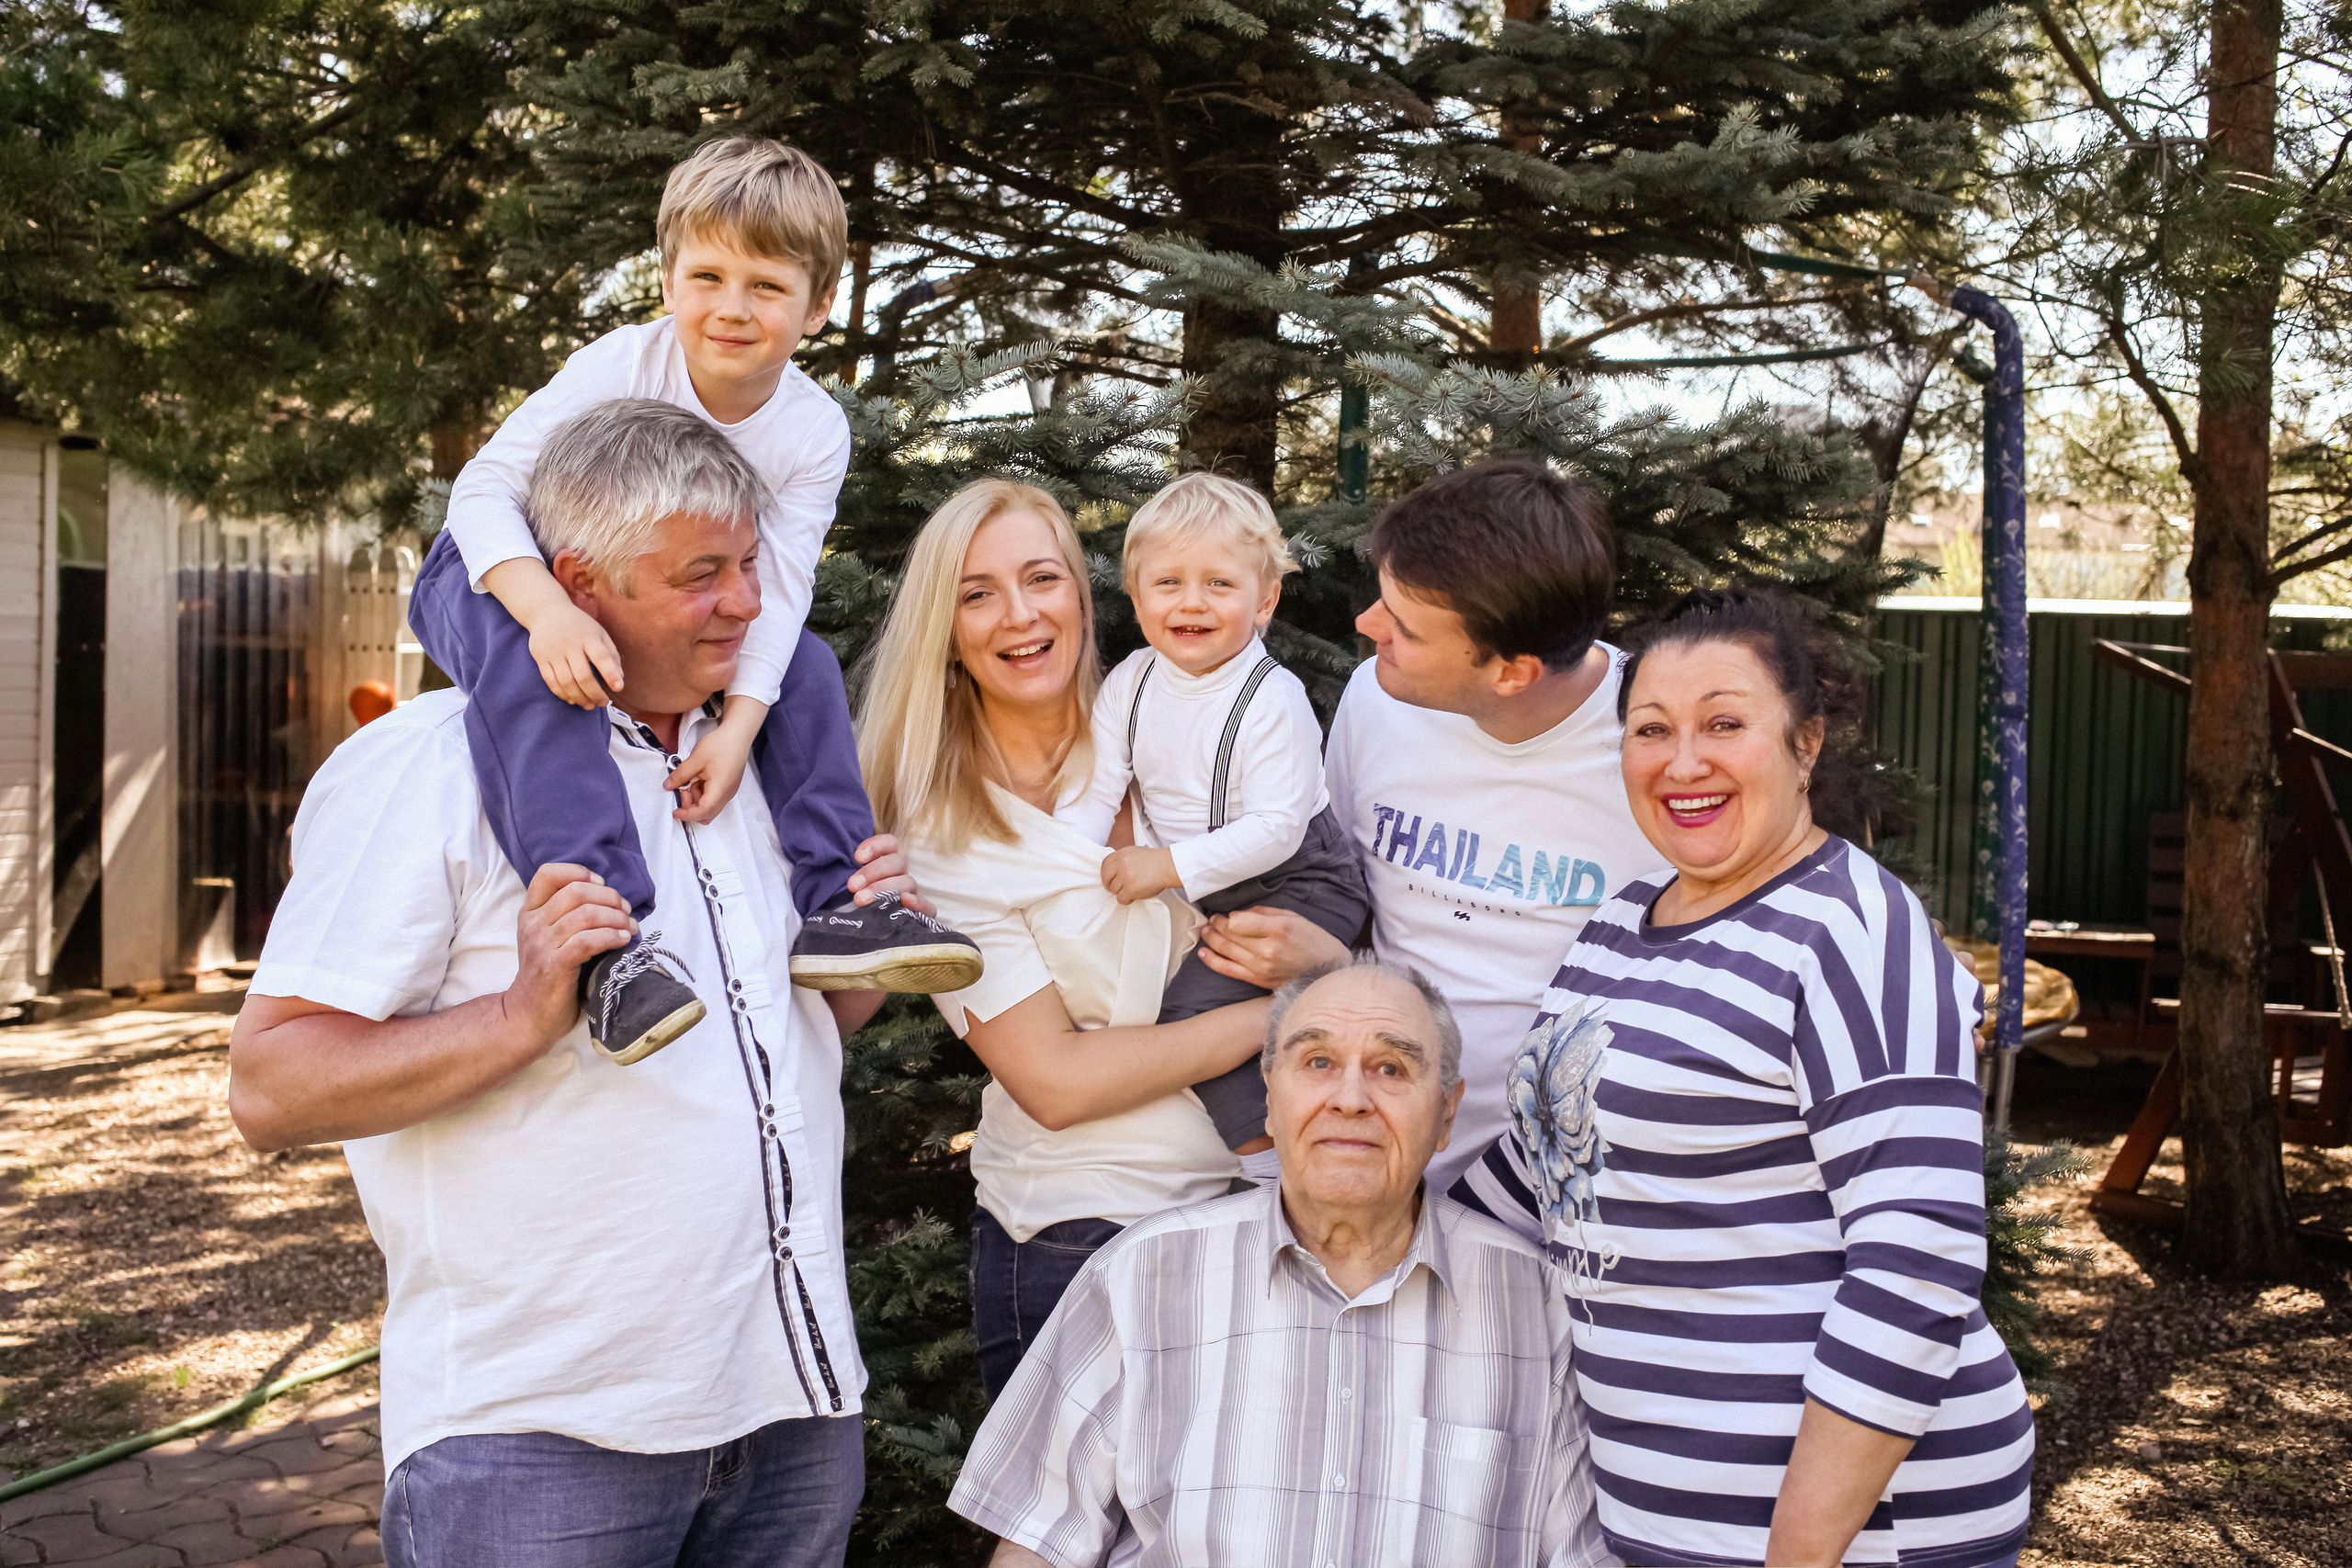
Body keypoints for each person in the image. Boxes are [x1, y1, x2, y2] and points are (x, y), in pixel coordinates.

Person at [229, 402, 910, 1567]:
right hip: (538, 1439)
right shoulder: (428, 765)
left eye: (750, 563)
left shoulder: (754, 761)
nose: (749, 601)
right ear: (579, 586)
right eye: (703, 574)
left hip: (794, 1405)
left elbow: (791, 1044)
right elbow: (273, 1087)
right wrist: (520, 1012)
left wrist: (861, 966)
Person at [1455, 586, 2034, 1568]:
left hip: (1850, 1531)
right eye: (1650, 730)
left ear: (1804, 745)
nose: (1683, 762)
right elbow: (1538, 1176)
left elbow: (1917, 1264)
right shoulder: (1619, 926)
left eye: (1724, 724)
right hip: (1669, 1518)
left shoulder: (1850, 929)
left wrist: (1797, 1556)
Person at [410, 134, 980, 1066]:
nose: (731, 308)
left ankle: (841, 904)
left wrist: (741, 725)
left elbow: (782, 588)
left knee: (801, 662)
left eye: (766, 286)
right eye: (707, 276)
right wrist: (547, 613)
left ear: (819, 303)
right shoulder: (618, 367)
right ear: (669, 276)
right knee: (531, 674)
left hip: (640, 590)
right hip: (496, 567)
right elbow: (481, 496)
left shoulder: (810, 429)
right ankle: (608, 949)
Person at [949, 954, 1611, 1568]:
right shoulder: (1140, 1277)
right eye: (1317, 1061)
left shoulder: (1536, 1307)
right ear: (1269, 1095)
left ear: (1446, 1114)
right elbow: (1036, 1543)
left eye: (1392, 1068)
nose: (1350, 1097)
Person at [855, 478, 1271, 1400]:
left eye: (1041, 579)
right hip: (1081, 1235)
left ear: (1083, 597)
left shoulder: (1181, 729)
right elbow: (1053, 1082)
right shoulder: (939, 831)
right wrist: (1285, 1014)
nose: (1018, 615)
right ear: (946, 628)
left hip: (1265, 1214)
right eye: (976, 593)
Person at [1198, 457, 1668, 1193]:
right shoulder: (1376, 699)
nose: (1365, 626)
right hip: (1385, 1179)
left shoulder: (1661, 745)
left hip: (1570, 1193)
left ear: (1512, 672)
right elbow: (1343, 894)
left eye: (1405, 628)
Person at [1064, 472, 1369, 1178]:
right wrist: (1067, 863)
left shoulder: (1271, 697)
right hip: (1211, 883)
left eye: (1219, 585)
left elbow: (1277, 827)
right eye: (1167, 583)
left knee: (1191, 1013)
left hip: (1300, 880)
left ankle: (1267, 1167)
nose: (1191, 602)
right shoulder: (1132, 682)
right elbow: (1096, 786)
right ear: (1136, 597)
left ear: (1264, 599)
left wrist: (1165, 866)